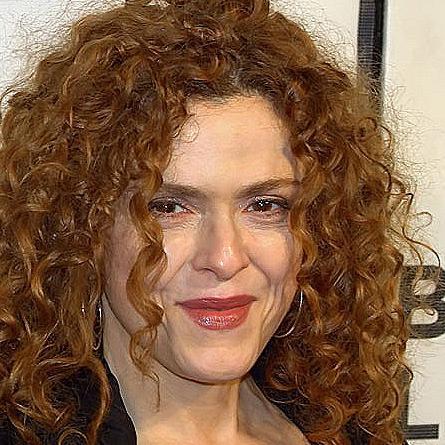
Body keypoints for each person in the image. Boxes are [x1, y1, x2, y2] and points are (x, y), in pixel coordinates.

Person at [0, 0, 417, 444]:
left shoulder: (351, 431)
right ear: (84, 228)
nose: (224, 258)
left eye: (265, 205)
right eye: (168, 208)